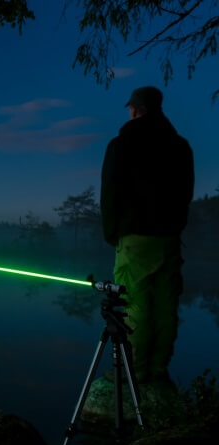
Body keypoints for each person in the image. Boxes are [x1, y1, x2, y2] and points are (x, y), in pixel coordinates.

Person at [100, 86, 194, 387]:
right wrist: (175, 226)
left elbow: (109, 193)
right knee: (166, 306)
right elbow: (186, 193)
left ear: (136, 109)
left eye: (131, 108)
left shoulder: (121, 144)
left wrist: (112, 233)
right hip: (169, 238)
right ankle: (157, 371)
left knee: (135, 305)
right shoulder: (180, 146)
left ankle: (135, 375)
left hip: (135, 239)